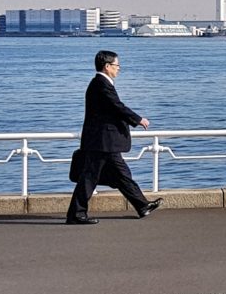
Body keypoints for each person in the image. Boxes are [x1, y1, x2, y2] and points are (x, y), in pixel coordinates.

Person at [66, 50, 161, 225]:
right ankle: (76, 214)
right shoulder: (101, 84)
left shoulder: (100, 84)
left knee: (121, 174)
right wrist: (138, 119)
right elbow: (117, 106)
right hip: (102, 141)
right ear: (107, 66)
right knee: (90, 177)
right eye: (117, 65)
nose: (119, 69)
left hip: (104, 141)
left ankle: (142, 205)